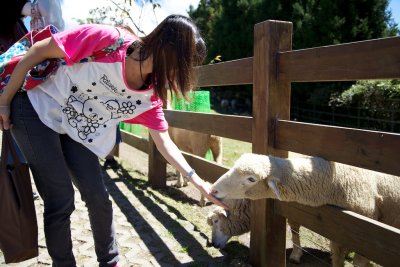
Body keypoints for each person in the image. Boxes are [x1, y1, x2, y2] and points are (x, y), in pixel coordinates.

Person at [0, 14, 227, 266]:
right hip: (34, 107)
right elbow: (37, 51)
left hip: (76, 127)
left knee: (98, 197)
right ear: (169, 52)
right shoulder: (108, 40)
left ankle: (110, 262)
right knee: (61, 199)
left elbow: (164, 141)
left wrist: (198, 182)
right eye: (184, 66)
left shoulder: (150, 95)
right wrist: (4, 101)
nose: (183, 75)